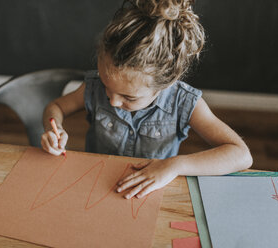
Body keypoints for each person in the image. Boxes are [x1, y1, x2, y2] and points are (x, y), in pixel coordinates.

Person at [41, 0, 252, 199]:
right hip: (93, 184)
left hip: (151, 193)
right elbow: (56, 106)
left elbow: (241, 155)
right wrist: (54, 128)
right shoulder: (94, 86)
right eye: (107, 86)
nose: (112, 101)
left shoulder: (183, 102)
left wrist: (174, 165)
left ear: (166, 83)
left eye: (128, 97)